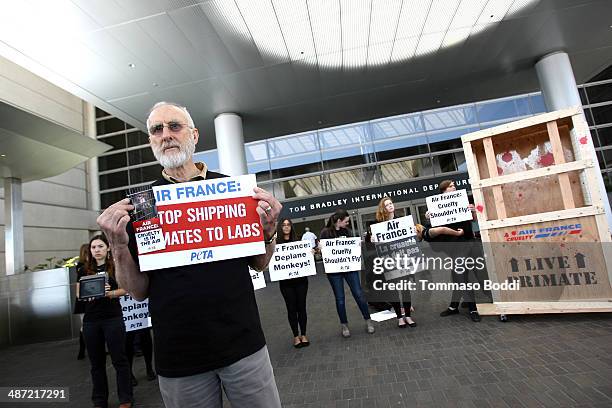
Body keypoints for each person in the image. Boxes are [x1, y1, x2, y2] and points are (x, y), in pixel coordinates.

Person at [97, 101, 282, 408]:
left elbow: (259, 263)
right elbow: (138, 291)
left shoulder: (232, 190)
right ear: (151, 141)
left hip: (244, 344)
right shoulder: (143, 206)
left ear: (194, 135)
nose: (166, 134)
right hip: (179, 358)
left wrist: (270, 229)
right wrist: (117, 245)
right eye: (157, 129)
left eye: (174, 126)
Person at [77, 234, 133, 408]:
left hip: (112, 318)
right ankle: (99, 400)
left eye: (100, 246)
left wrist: (110, 293)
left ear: (108, 248)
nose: (97, 250)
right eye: (94, 247)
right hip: (91, 321)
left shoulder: (116, 267)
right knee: (96, 363)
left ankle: (125, 399)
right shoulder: (83, 269)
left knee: (120, 360)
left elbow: (127, 288)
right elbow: (79, 294)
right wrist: (88, 293)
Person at [424, 180, 481, 322]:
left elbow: (474, 220)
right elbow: (434, 228)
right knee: (459, 277)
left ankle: (463, 307)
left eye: (454, 185)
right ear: (443, 190)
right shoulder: (437, 205)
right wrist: (430, 217)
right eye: (450, 186)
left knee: (461, 277)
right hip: (454, 246)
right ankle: (463, 307)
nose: (454, 187)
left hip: (469, 243)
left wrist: (473, 211)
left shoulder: (464, 200)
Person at [320, 209, 375, 338]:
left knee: (359, 294)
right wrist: (320, 249)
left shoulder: (347, 231)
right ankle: (344, 324)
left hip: (349, 268)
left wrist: (358, 244)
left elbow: (352, 247)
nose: (347, 223)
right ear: (338, 221)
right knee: (340, 299)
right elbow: (322, 251)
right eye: (346, 221)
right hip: (334, 271)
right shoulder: (325, 233)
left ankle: (368, 320)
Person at [372, 197, 416, 328]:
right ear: (383, 208)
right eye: (387, 205)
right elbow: (371, 241)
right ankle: (399, 317)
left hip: (403, 260)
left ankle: (408, 315)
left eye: (391, 203)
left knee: (405, 289)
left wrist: (412, 232)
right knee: (394, 291)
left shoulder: (401, 220)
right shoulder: (378, 224)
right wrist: (372, 238)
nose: (390, 206)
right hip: (389, 261)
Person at [277, 218, 310, 348]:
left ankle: (304, 334)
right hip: (286, 283)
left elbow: (305, 256)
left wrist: (310, 253)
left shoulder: (298, 241)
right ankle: (296, 336)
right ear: (280, 227)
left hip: (301, 281)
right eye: (284, 225)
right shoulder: (276, 244)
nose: (286, 227)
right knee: (291, 308)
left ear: (291, 227)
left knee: (301, 307)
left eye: (288, 225)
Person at [74, 243, 90, 360]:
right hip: (84, 301)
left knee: (84, 326)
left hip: (83, 301)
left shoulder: (80, 266)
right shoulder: (82, 267)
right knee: (85, 326)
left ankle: (82, 351)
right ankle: (83, 350)